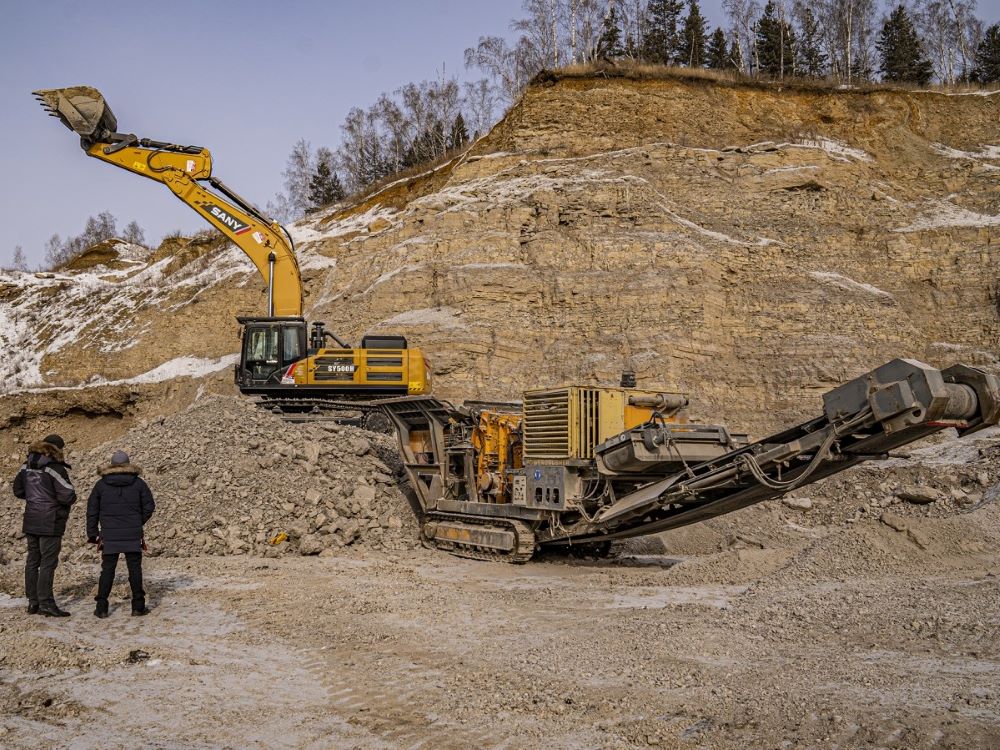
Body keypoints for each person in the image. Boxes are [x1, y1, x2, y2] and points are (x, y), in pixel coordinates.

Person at [12, 434, 77, 617]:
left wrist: (34, 500)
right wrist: (53, 502)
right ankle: (46, 603)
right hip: (50, 520)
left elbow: (18, 490)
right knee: (48, 562)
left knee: (33, 561)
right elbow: (68, 495)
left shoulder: (26, 465)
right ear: (57, 449)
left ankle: (33, 602)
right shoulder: (54, 468)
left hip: (31, 519)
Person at [86, 450, 155, 618]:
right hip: (132, 533)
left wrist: (92, 532)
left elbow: (92, 510)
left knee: (107, 570)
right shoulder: (138, 483)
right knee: (135, 569)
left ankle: (101, 607)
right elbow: (149, 506)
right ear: (128, 464)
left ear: (111, 464)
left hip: (109, 535)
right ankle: (138, 607)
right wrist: (138, 522)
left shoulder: (101, 485)